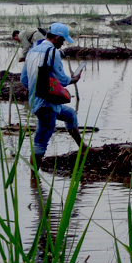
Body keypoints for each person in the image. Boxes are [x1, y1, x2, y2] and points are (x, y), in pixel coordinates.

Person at [19, 22, 83, 168]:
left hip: (37, 101)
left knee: (70, 114)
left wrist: (36, 91)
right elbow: (62, 80)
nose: (62, 44)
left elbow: (23, 79)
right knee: (42, 138)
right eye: (62, 40)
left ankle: (83, 148)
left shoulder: (32, 51)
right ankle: (34, 178)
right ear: (55, 38)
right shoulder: (53, 52)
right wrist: (74, 79)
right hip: (46, 104)